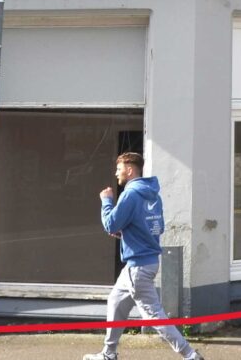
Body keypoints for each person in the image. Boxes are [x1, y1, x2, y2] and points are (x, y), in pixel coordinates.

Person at [86, 152, 202, 360]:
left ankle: (190, 355)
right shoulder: (153, 195)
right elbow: (155, 228)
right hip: (144, 263)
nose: (116, 173)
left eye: (119, 168)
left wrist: (106, 201)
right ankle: (109, 353)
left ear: (130, 170)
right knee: (115, 301)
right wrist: (126, 233)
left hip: (138, 267)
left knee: (154, 315)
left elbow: (110, 224)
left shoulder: (130, 194)